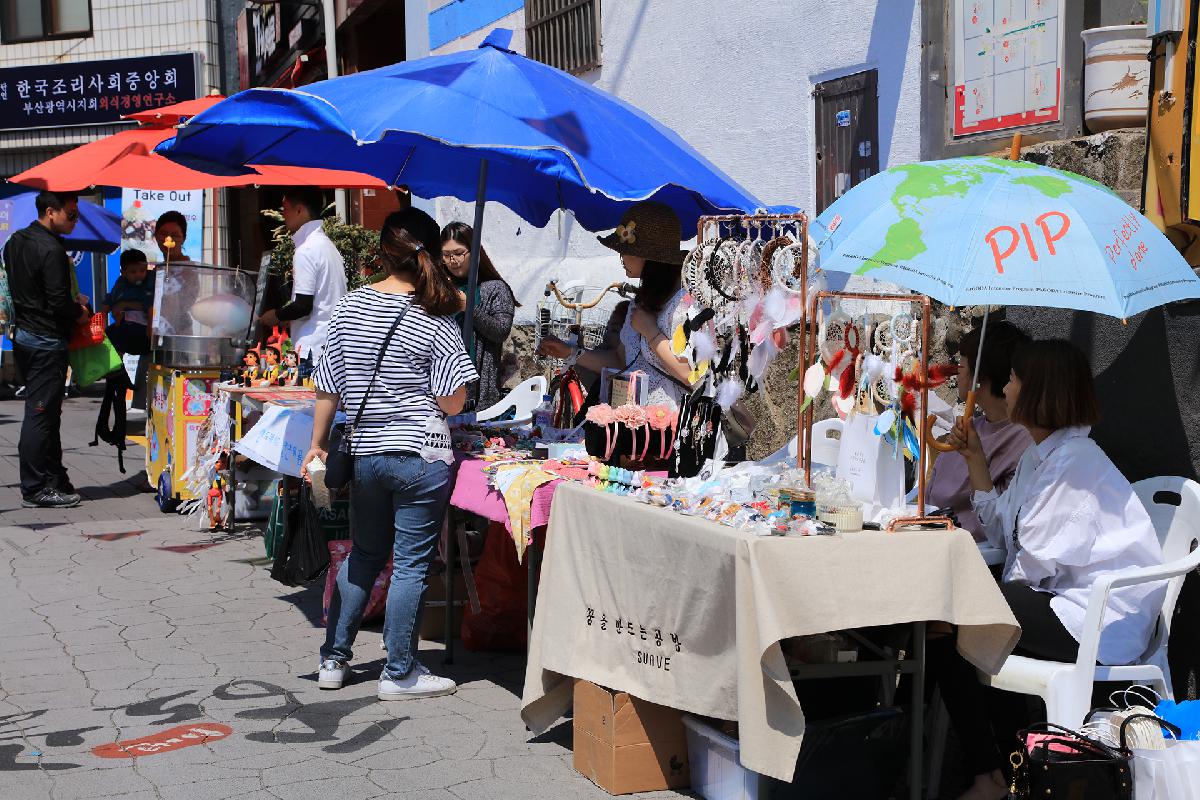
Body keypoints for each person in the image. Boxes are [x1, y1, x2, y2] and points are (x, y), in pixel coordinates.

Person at [930, 339, 1166, 800]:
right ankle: (1002, 771)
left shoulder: (1074, 464)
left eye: (1015, 379)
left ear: (1037, 391)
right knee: (957, 616)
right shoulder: (1044, 456)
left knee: (953, 614)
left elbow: (1030, 562)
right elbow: (1003, 529)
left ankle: (991, 775)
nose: (1007, 386)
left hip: (1096, 621)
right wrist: (975, 456)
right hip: (1061, 601)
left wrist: (981, 595)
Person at [302, 210, 477, 701]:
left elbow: (327, 386)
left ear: (383, 252)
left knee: (364, 556)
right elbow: (451, 400)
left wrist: (316, 443)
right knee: (410, 566)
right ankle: (399, 671)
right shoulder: (435, 314)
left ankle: (333, 661)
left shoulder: (350, 307)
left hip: (363, 453)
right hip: (419, 454)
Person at [537, 202, 692, 407]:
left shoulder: (683, 303)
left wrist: (651, 332)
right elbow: (620, 360)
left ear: (649, 256)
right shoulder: (641, 303)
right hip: (633, 422)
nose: (621, 257)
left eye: (626, 250)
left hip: (668, 423)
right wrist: (571, 352)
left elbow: (689, 373)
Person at [2, 191, 89, 508]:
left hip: (24, 335)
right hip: (46, 340)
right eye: (71, 214)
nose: (74, 221)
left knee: (48, 413)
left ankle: (55, 478)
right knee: (40, 414)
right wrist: (79, 312)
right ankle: (36, 487)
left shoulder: (15, 242)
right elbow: (56, 302)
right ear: (51, 212)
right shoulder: (51, 249)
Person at [925, 320, 1032, 539]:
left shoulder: (1025, 444)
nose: (956, 373)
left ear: (979, 378)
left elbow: (999, 526)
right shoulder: (972, 428)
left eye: (961, 367)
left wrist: (974, 456)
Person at [259, 188, 346, 369]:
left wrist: (275, 315)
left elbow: (303, 306)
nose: (283, 215)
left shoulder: (307, 249)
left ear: (300, 210)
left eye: (285, 209)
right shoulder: (327, 246)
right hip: (331, 346)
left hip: (312, 349)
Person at [440, 222, 516, 410]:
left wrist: (469, 308)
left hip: (480, 392)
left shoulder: (495, 289)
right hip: (444, 388)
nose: (453, 260)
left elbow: (501, 331)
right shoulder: (441, 288)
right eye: (446, 255)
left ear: (474, 252)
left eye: (458, 253)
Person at [101, 249, 154, 356]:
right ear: (123, 272)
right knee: (109, 336)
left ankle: (117, 365)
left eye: (142, 270)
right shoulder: (121, 283)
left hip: (144, 328)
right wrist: (102, 315)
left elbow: (151, 307)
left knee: (118, 336)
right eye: (133, 272)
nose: (138, 275)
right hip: (125, 325)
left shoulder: (149, 282)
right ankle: (116, 368)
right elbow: (110, 299)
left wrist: (150, 326)